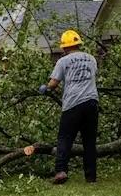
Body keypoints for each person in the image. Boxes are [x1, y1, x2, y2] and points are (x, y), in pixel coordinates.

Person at [39, 29, 99, 184]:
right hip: (92, 102)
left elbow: (54, 83)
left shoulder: (63, 61)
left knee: (64, 138)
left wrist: (46, 88)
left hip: (72, 104)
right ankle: (91, 177)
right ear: (78, 44)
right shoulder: (91, 59)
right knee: (89, 141)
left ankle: (60, 171)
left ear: (64, 47)